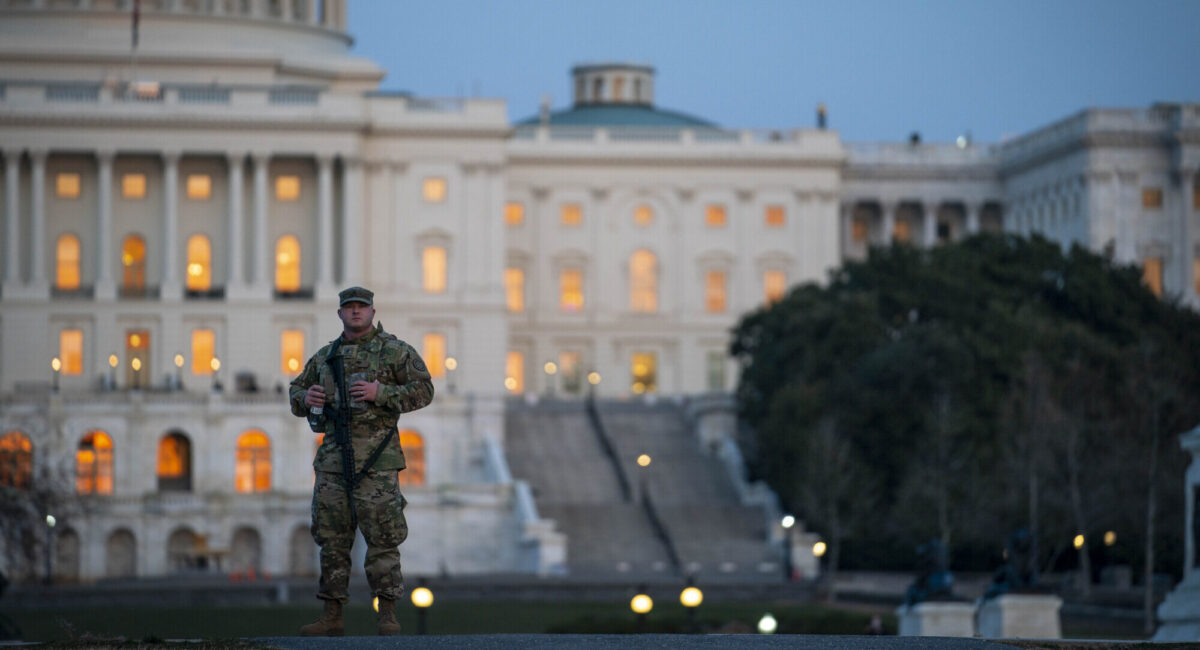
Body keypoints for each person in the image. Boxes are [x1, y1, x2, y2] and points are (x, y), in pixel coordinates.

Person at [289, 286, 434, 636]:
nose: (356, 312)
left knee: (383, 538)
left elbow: (424, 390)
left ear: (372, 311)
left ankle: (386, 614)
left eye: (362, 307)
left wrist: (379, 393)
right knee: (331, 539)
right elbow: (295, 393)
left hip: (377, 462)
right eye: (349, 307)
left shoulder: (394, 352)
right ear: (339, 313)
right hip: (334, 462)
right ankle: (332, 615)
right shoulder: (325, 357)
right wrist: (306, 397)